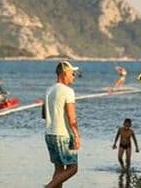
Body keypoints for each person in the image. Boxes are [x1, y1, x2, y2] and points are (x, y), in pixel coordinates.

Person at [43, 60, 80, 188]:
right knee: (73, 168)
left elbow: (44, 114)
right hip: (63, 136)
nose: (74, 76)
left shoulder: (49, 90)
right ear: (64, 73)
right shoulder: (68, 91)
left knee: (59, 171)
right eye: (72, 73)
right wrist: (76, 136)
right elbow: (72, 118)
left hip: (49, 134)